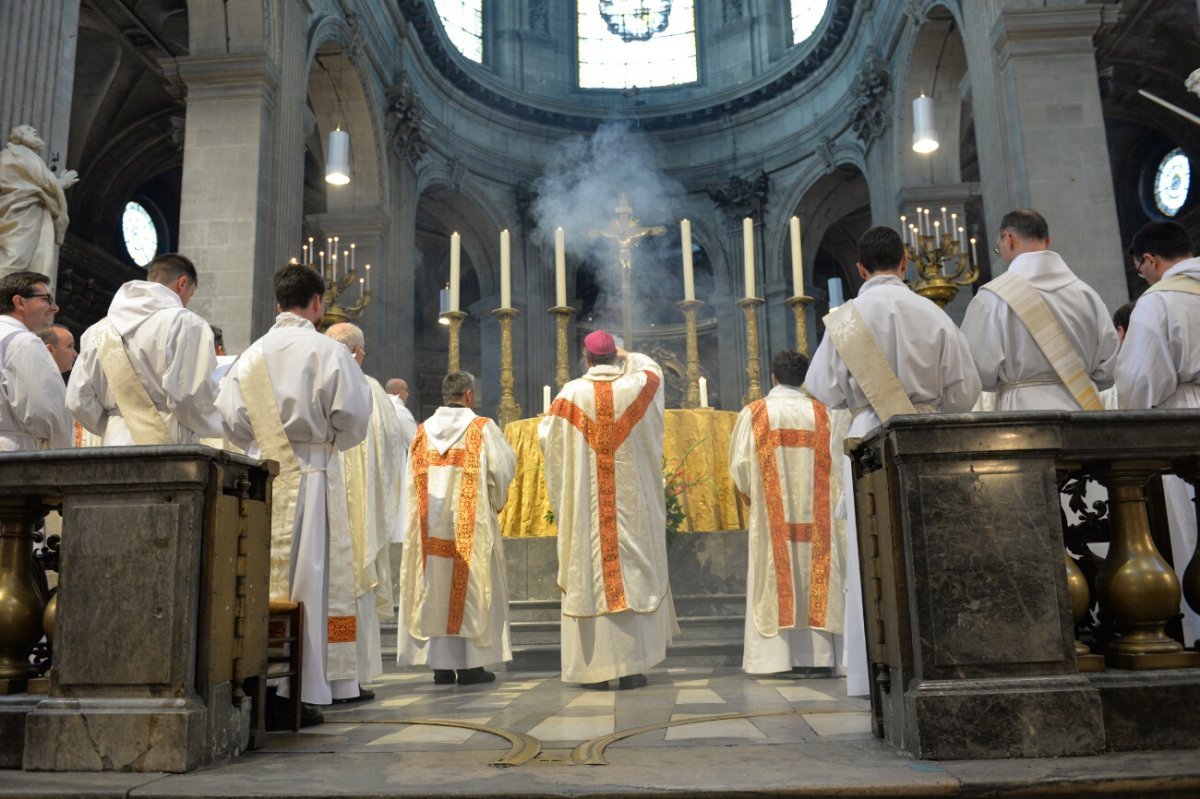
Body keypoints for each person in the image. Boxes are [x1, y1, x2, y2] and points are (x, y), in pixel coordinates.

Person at [807, 226, 980, 697]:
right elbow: (965, 395)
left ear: (860, 269)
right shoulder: (934, 312)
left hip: (867, 438)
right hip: (925, 436)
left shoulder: (845, 319)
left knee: (871, 552)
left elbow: (821, 390)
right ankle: (936, 659)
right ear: (905, 262)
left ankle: (871, 674)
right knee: (929, 546)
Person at [216, 264, 371, 725]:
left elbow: (230, 423)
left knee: (261, 579)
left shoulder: (249, 357)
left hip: (264, 481)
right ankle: (299, 689)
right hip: (313, 475)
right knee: (309, 585)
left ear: (277, 303)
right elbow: (354, 419)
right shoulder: (328, 352)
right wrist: (324, 445)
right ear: (318, 304)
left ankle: (260, 682)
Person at [538, 330, 678, 690]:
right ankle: (633, 667)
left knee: (590, 575)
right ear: (614, 357)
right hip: (632, 510)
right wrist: (628, 354)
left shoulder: (568, 396)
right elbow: (654, 371)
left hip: (587, 515)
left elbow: (548, 445)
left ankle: (594, 671)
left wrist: (566, 494)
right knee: (631, 577)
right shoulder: (638, 387)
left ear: (586, 359)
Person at [730, 350, 844, 676]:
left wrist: (753, 498)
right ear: (804, 379)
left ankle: (774, 660)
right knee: (819, 575)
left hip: (772, 522)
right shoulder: (824, 415)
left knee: (773, 577)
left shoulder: (755, 414)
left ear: (773, 377)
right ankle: (819, 658)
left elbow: (740, 468)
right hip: (819, 522)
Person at [398, 370, 516, 685]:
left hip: (429, 530)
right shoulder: (482, 429)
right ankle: (470, 666)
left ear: (443, 397)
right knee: (471, 588)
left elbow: (409, 481)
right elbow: (504, 469)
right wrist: (495, 499)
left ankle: (440, 665)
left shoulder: (422, 432)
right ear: (468, 395)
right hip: (470, 531)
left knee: (435, 586)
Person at [1115, 220, 1200, 646]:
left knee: (1189, 530)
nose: (1143, 276)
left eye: (1140, 269)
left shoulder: (1157, 301)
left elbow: (1140, 381)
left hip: (1183, 421)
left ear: (1151, 259)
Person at [961, 209, 1118, 411]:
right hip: (1083, 413)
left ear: (1008, 238)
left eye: (998, 246)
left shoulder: (991, 298)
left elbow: (974, 372)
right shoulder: (1087, 296)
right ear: (1047, 242)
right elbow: (1107, 371)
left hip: (1023, 415)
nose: (999, 249)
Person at [67, 253, 221, 445]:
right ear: (182, 283)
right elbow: (189, 397)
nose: (188, 301)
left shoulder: (97, 331)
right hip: (167, 438)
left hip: (112, 442)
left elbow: (77, 399)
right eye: (191, 293)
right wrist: (226, 423)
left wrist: (116, 423)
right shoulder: (185, 323)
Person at [325, 322, 402, 700]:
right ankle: (348, 678)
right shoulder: (369, 389)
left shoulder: (314, 377)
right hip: (357, 514)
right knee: (353, 580)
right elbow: (391, 452)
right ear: (357, 353)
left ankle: (310, 680)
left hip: (314, 499)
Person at [0, 271, 72, 450]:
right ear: (20, 302)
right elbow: (45, 411)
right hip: (15, 452)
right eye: (46, 299)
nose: (54, 307)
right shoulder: (24, 341)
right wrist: (63, 452)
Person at [0, 126, 78, 278]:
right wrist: (62, 181)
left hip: (31, 209)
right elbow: (44, 183)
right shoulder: (15, 154)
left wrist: (60, 182)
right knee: (17, 257)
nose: (34, 131)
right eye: (29, 130)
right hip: (19, 210)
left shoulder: (27, 156)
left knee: (31, 259)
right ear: (19, 136)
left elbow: (43, 183)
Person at [385, 377, 418, 545]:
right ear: (398, 391)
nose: (408, 394)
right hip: (394, 467)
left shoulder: (376, 405)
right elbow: (415, 441)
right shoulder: (398, 409)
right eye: (406, 390)